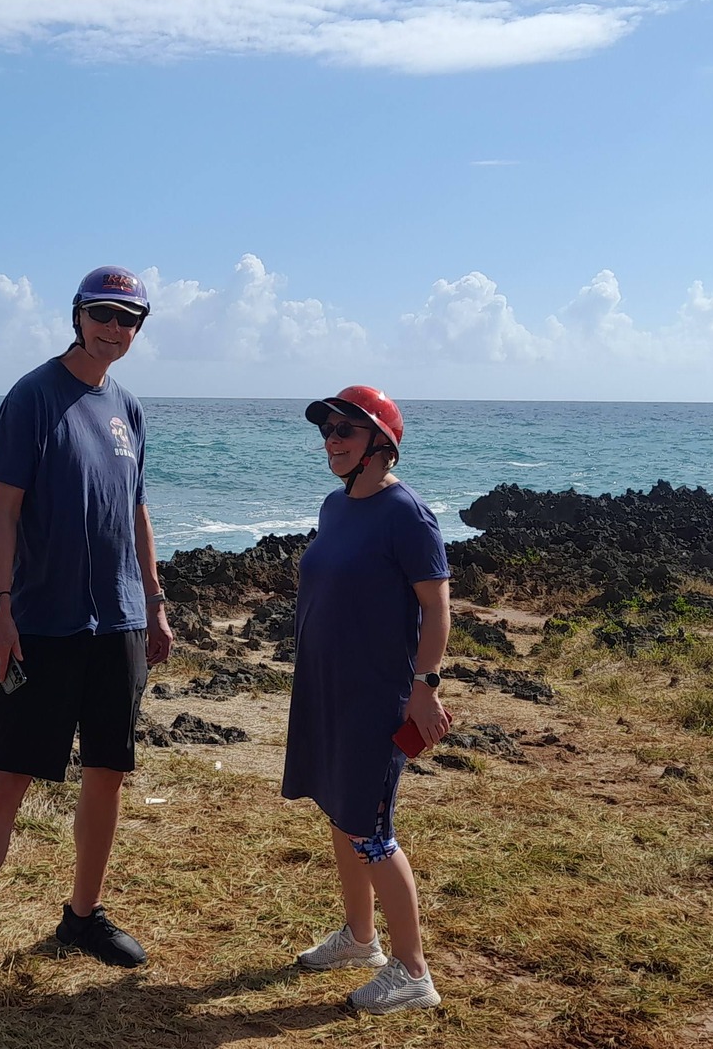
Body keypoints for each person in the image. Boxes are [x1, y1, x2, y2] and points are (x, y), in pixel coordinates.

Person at [0, 265, 177, 1025]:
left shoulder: (127, 407)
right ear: (77, 315)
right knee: (7, 779)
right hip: (43, 624)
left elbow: (137, 511)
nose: (114, 329)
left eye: (128, 320)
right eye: (103, 314)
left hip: (118, 621)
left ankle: (82, 917)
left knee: (107, 772)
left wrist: (155, 603)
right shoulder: (32, 396)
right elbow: (3, 512)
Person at [280, 385, 453, 1014]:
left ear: (381, 442)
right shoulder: (335, 506)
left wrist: (424, 687)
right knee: (341, 811)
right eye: (326, 430)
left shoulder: (407, 514)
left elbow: (437, 608)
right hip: (328, 689)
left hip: (378, 696)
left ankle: (413, 974)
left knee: (372, 829)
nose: (331, 440)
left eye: (345, 430)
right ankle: (360, 937)